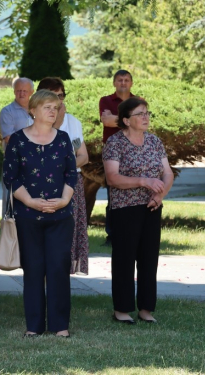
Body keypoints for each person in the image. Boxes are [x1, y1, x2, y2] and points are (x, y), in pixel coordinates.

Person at [3, 89, 77, 338]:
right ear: (32, 110)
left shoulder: (64, 138)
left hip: (60, 216)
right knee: (33, 269)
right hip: (28, 216)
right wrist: (32, 202)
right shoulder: (17, 140)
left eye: (55, 107)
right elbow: (10, 176)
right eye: (47, 107)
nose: (52, 111)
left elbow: (71, 173)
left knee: (58, 268)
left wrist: (64, 199)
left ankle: (60, 326)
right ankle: (33, 326)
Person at [103, 97, 173, 324]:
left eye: (147, 113)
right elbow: (113, 178)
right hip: (125, 208)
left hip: (152, 206)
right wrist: (144, 181)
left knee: (149, 258)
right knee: (124, 259)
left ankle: (146, 308)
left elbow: (167, 173)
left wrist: (159, 194)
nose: (145, 117)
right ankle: (122, 309)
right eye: (139, 114)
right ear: (126, 120)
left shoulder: (154, 141)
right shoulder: (115, 143)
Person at [37, 77, 89, 275]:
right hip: (42, 187)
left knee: (67, 237)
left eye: (61, 95)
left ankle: (60, 281)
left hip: (70, 184)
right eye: (53, 96)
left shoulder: (73, 122)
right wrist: (56, 122)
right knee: (45, 240)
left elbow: (83, 156)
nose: (58, 101)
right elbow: (42, 154)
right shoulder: (30, 122)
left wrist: (63, 168)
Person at [99, 70, 136, 246]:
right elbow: (106, 122)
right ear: (114, 83)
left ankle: (131, 233)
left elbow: (140, 124)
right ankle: (112, 235)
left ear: (131, 83)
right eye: (120, 80)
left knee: (134, 192)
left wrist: (116, 119)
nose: (123, 83)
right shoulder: (105, 101)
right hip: (112, 153)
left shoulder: (138, 102)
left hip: (134, 152)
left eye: (126, 80)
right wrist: (129, 120)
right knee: (113, 193)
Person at [0, 77, 34, 217]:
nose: (22, 94)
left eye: (25, 91)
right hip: (15, 164)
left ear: (32, 92)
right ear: (14, 92)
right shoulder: (7, 112)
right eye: (18, 90)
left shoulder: (36, 110)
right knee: (11, 201)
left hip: (36, 164)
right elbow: (10, 139)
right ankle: (9, 235)